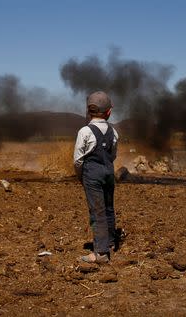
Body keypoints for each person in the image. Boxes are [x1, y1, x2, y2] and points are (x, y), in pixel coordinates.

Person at [73, 91, 119, 263]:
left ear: (89, 111)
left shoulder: (84, 131)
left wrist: (81, 177)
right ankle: (111, 242)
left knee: (97, 212)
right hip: (108, 171)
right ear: (108, 112)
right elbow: (113, 155)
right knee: (108, 208)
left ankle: (100, 253)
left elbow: (78, 160)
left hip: (92, 174)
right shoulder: (113, 132)